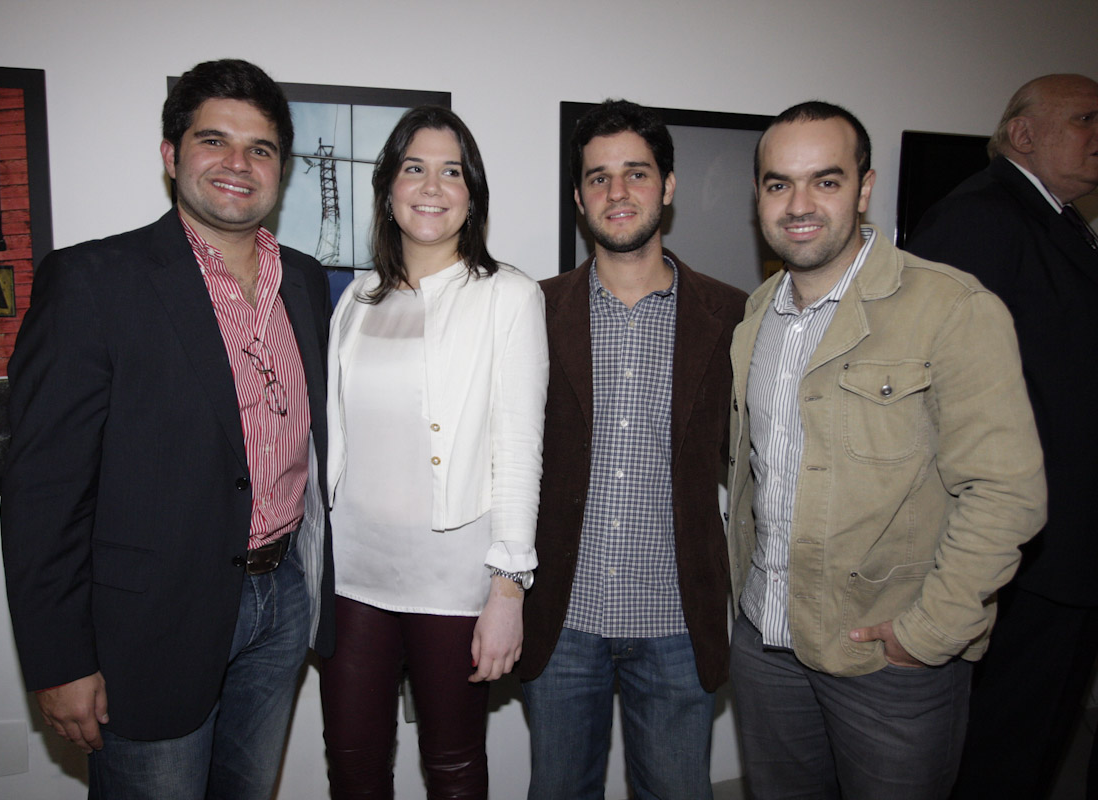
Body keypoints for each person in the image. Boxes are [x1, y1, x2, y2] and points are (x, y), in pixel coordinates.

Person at [1, 59, 334, 799]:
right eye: (214, 140)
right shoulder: (93, 281)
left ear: (281, 168)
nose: (238, 163)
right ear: (170, 154)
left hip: (283, 601)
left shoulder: (307, 281)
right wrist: (59, 660)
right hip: (151, 622)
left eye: (260, 148)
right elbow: (44, 489)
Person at [727, 101, 1048, 800]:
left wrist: (928, 633)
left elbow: (1007, 493)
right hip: (765, 643)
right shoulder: (756, 316)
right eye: (779, 184)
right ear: (758, 197)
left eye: (826, 180)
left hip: (886, 660)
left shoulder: (952, 308)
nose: (799, 204)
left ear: (865, 188)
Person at [518, 99, 747, 800]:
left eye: (636, 173)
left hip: (677, 621)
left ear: (667, 186)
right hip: (563, 618)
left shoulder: (732, 316)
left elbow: (759, 463)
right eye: (598, 177)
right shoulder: (531, 310)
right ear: (579, 197)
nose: (617, 192)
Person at [319, 105, 548, 799]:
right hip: (352, 576)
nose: (431, 186)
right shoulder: (356, 299)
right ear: (388, 188)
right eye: (414, 168)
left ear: (472, 195)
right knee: (352, 767)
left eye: (452, 172)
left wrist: (507, 591)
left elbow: (520, 450)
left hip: (454, 580)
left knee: (453, 767)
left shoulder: (509, 296)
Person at [907, 73, 1098, 799]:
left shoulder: (1057, 219)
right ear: (1023, 134)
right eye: (1085, 118)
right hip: (1028, 548)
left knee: (1042, 729)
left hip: (1066, 539)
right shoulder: (980, 219)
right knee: (1005, 737)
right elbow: (935, 392)